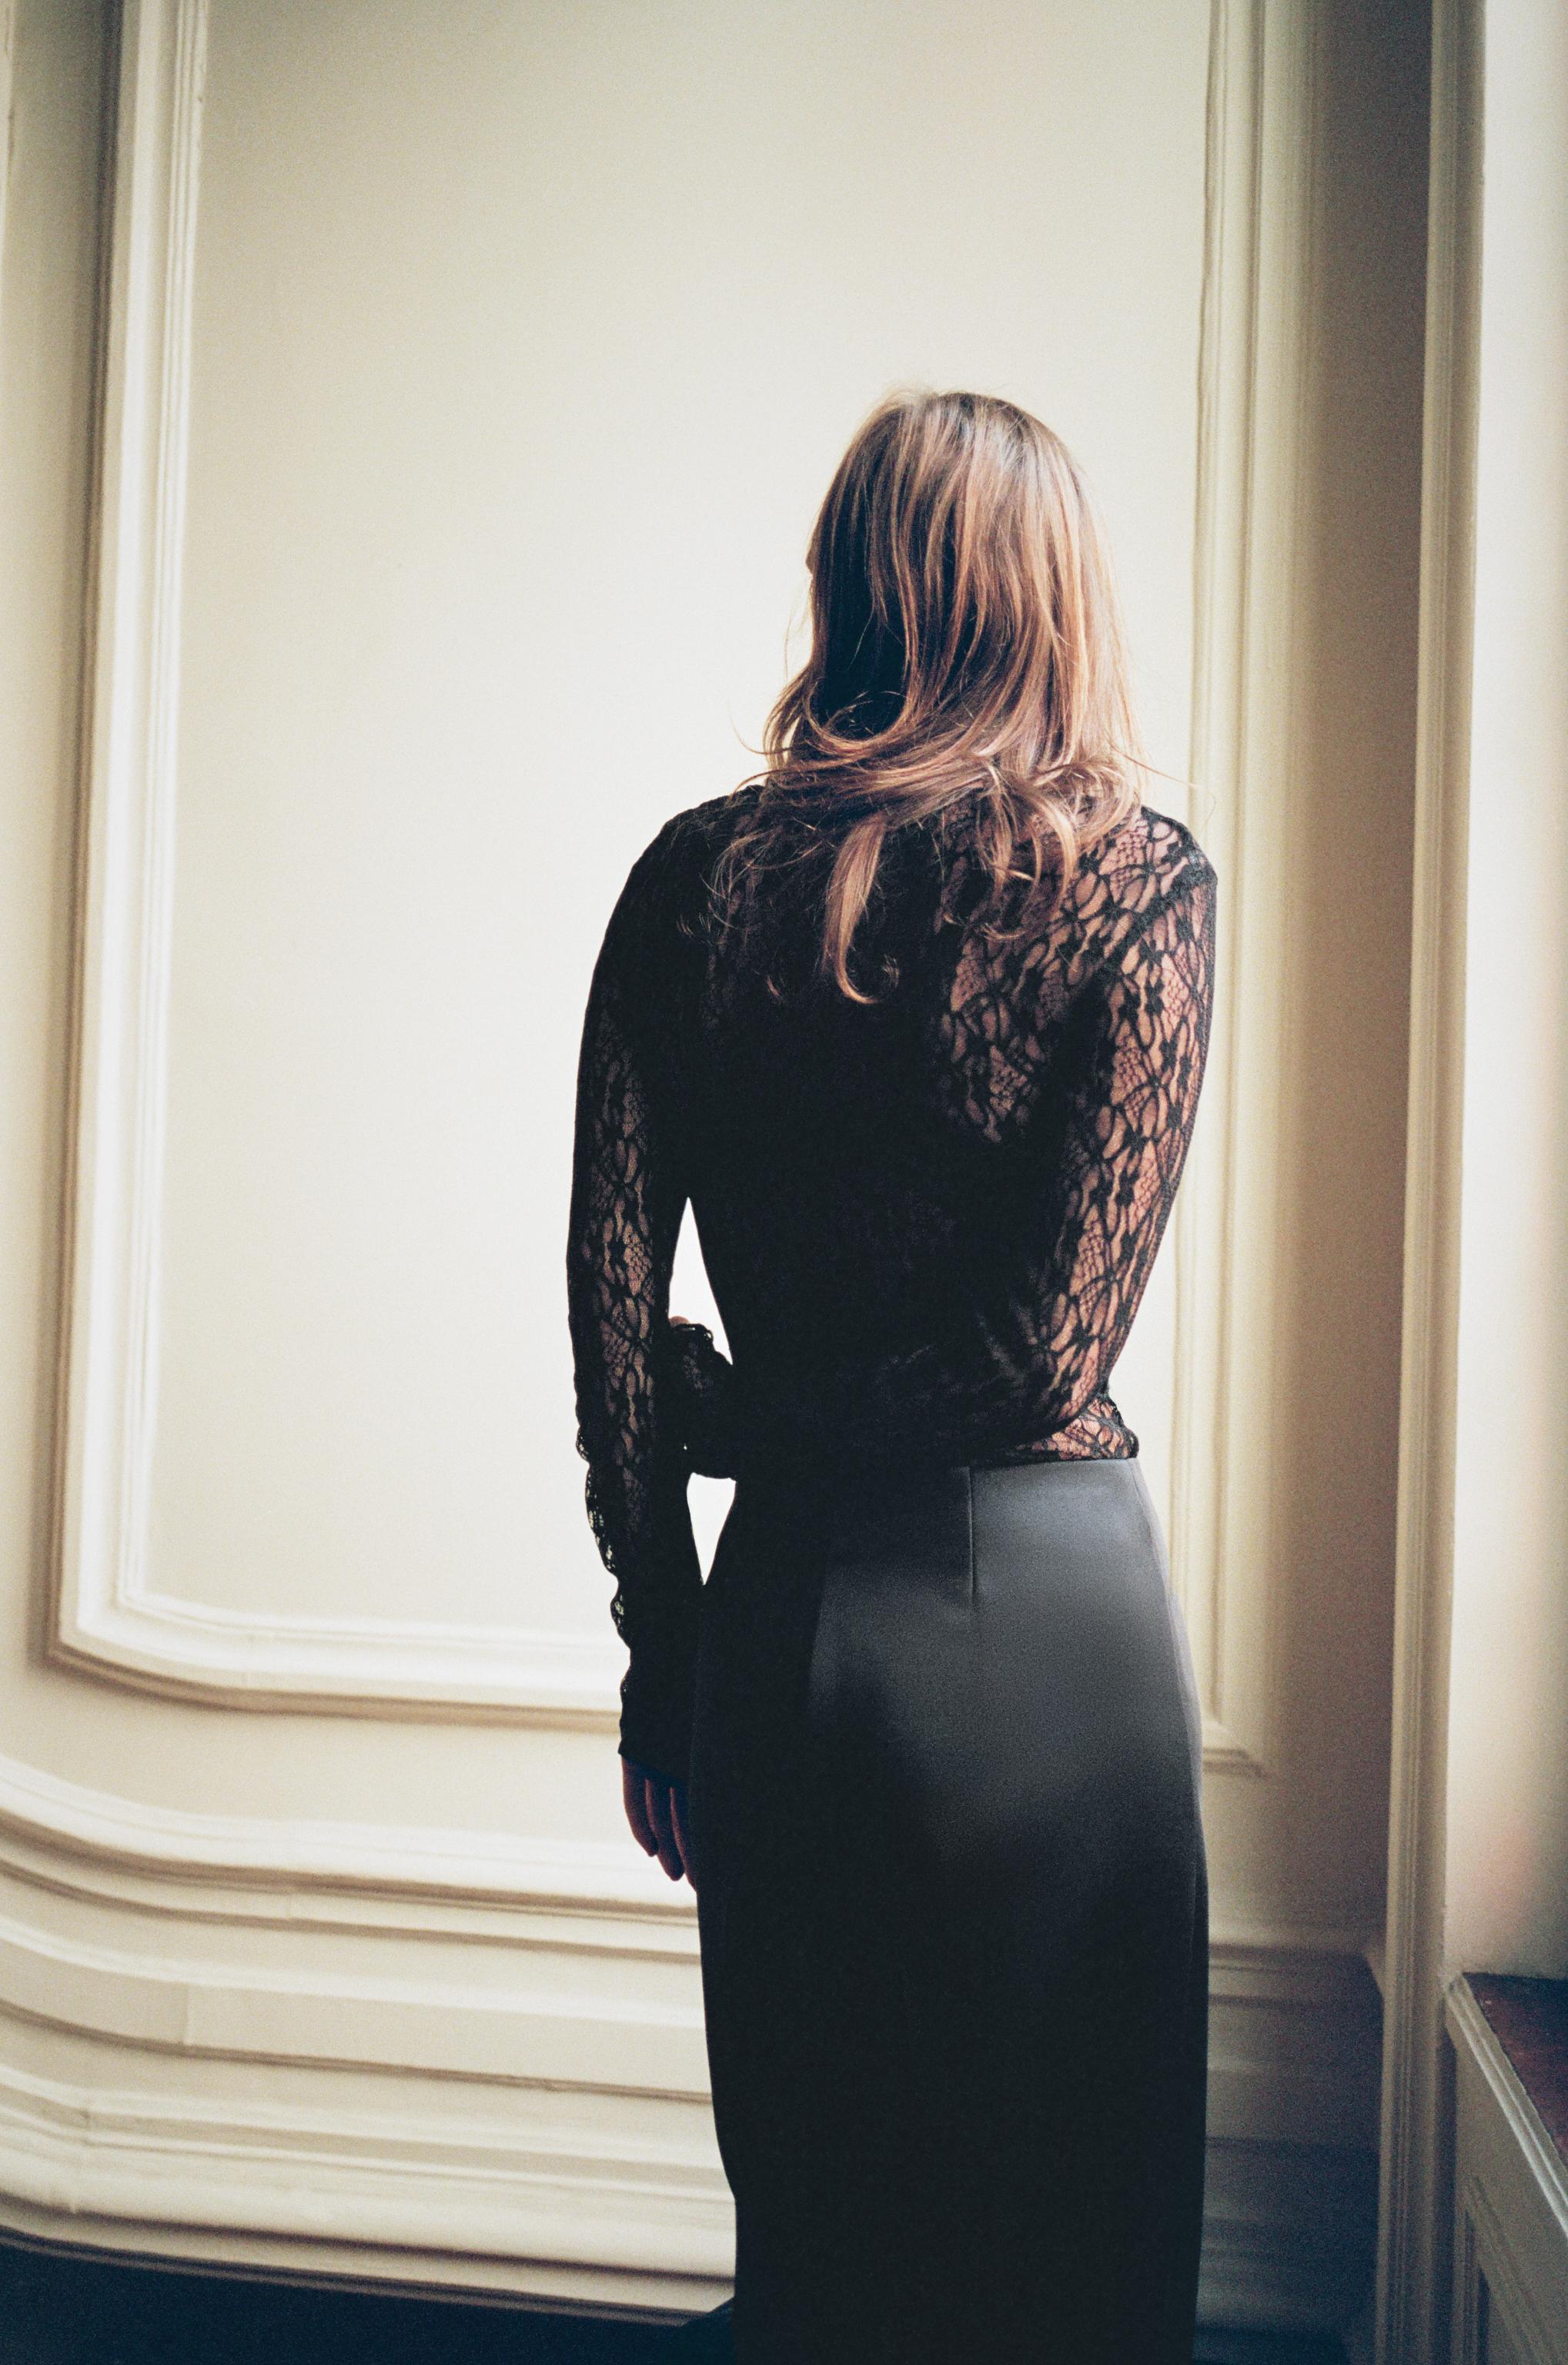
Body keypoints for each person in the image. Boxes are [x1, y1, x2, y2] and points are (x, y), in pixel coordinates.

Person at [567, 387, 1216, 2363]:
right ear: (1055, 600)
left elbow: (610, 1308)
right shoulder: (1138, 887)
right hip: (1054, 1642)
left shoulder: (691, 883)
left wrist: (666, 1647)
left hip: (782, 1619)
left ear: (848, 588)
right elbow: (1044, 1360)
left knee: (823, 2237)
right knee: (1075, 2254)